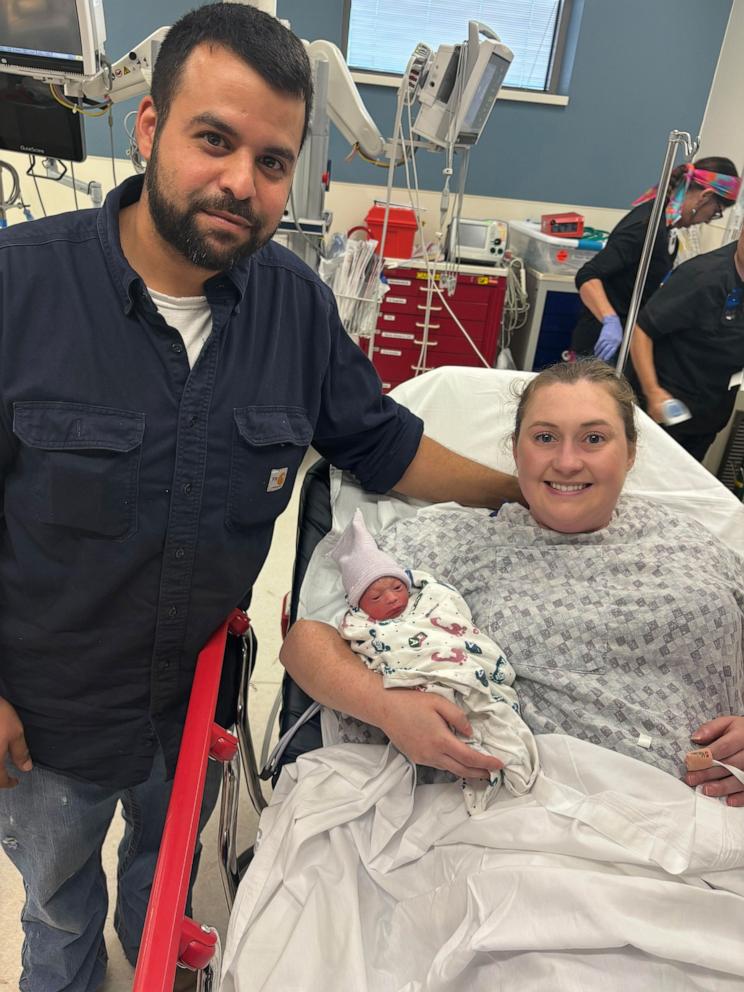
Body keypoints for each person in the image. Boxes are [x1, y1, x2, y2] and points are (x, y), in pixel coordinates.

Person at [0, 6, 523, 991]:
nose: (242, 181)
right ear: (149, 129)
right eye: (214, 139)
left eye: (273, 160)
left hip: (188, 703)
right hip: (46, 710)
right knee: (56, 908)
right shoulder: (22, 289)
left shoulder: (294, 308)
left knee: (161, 881)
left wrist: (518, 488)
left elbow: (383, 443)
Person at [282, 359, 744, 804]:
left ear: (631, 453)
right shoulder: (451, 541)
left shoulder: (691, 543)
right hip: (523, 821)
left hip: (703, 812)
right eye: (545, 437)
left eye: (594, 439)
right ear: (516, 449)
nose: (566, 462)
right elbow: (306, 644)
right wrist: (385, 706)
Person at [329, 509, 539, 812]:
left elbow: (457, 622)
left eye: (397, 587)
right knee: (455, 734)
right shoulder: (363, 628)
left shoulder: (430, 600)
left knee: (491, 713)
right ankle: (482, 772)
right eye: (375, 597)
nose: (390, 598)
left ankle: (513, 764)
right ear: (359, 605)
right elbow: (366, 654)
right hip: (420, 692)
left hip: (464, 670)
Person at [571, 157, 740, 361]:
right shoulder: (646, 226)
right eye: (716, 212)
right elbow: (588, 274)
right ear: (704, 197)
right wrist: (610, 320)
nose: (707, 220)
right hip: (601, 345)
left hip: (625, 341)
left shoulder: (668, 229)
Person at [626, 220, 744, 462]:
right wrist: (653, 391)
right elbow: (642, 331)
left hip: (708, 416)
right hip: (663, 413)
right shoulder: (702, 278)